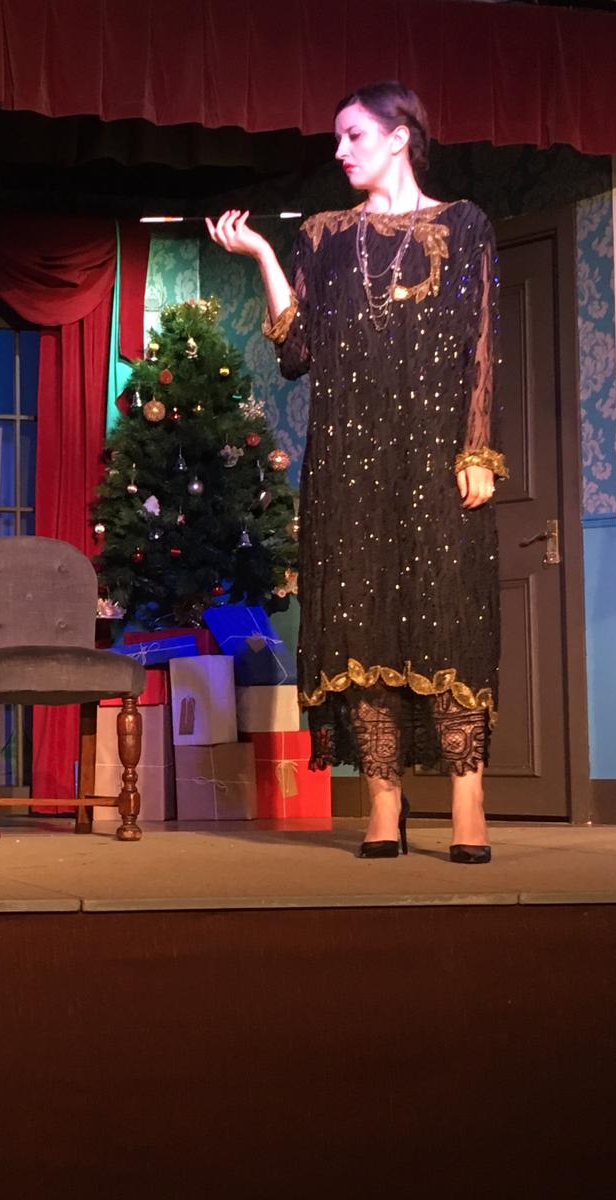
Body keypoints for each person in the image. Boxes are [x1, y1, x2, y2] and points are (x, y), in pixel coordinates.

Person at [207, 80, 503, 864]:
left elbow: (482, 342)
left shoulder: (465, 224)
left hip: (435, 458)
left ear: (400, 136)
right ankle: (382, 802)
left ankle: (468, 800)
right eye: (337, 138)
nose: (340, 151)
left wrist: (477, 449)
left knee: (448, 617)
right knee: (359, 625)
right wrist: (264, 256)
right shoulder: (325, 235)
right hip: (348, 464)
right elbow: (296, 353)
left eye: (354, 135)